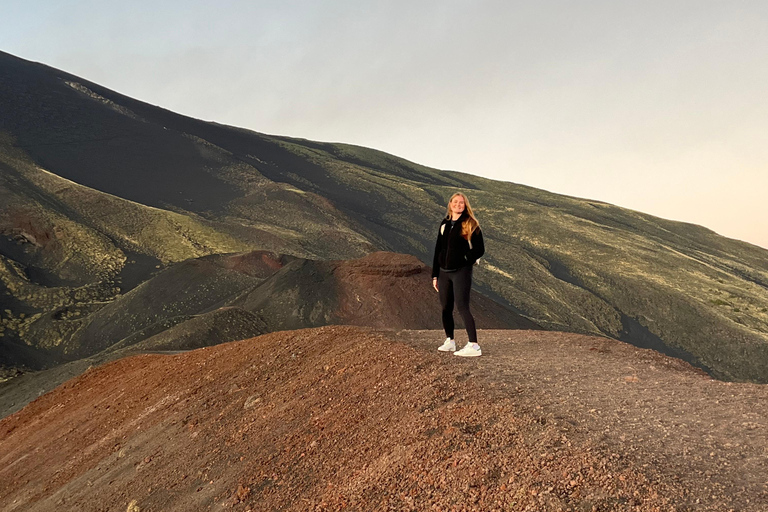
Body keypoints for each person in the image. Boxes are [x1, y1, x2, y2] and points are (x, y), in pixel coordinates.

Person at [432, 192, 485, 357]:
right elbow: (438, 250)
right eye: (455, 202)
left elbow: (479, 249)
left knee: (462, 307)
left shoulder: (470, 224)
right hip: (444, 272)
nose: (458, 205)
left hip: (461, 272)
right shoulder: (445, 224)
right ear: (450, 204)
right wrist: (435, 275)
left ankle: (474, 345)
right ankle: (450, 341)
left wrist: (464, 259)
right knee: (446, 307)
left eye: (461, 203)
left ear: (465, 205)